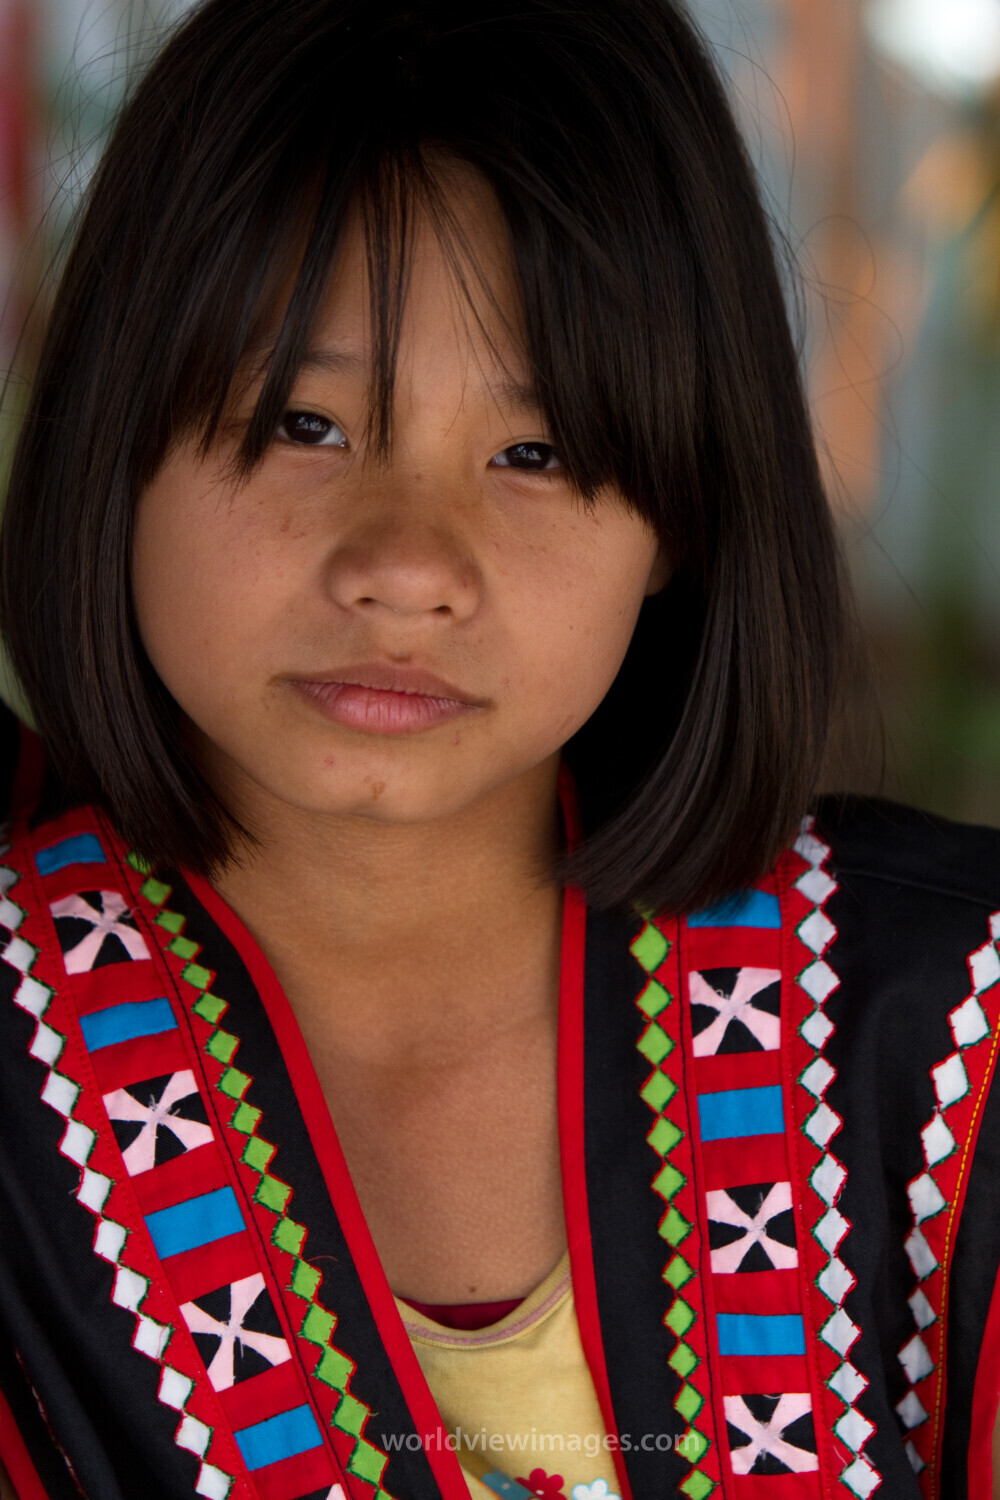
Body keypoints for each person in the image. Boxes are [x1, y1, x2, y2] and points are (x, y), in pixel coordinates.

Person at [0, 1, 998, 1497]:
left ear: (679, 516)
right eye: (303, 421)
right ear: (114, 434)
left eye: (533, 454)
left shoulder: (944, 1034)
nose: (408, 564)